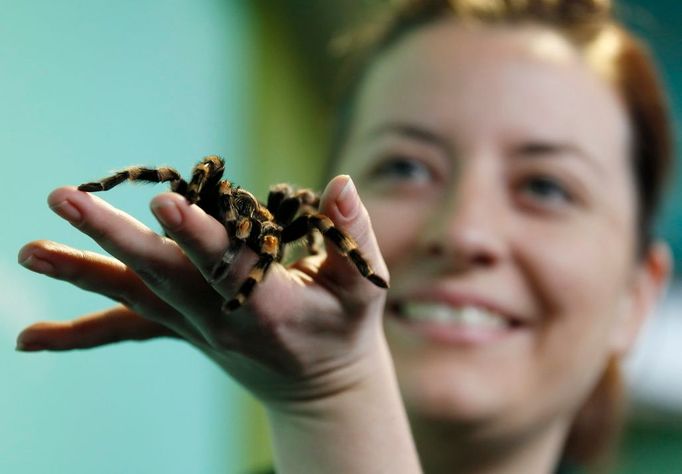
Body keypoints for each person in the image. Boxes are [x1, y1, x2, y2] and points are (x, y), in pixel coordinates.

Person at [16, 0, 674, 472]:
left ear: (637, 298)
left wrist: (332, 398)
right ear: (338, 198)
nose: (465, 230)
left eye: (547, 187)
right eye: (405, 167)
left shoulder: (282, 222)